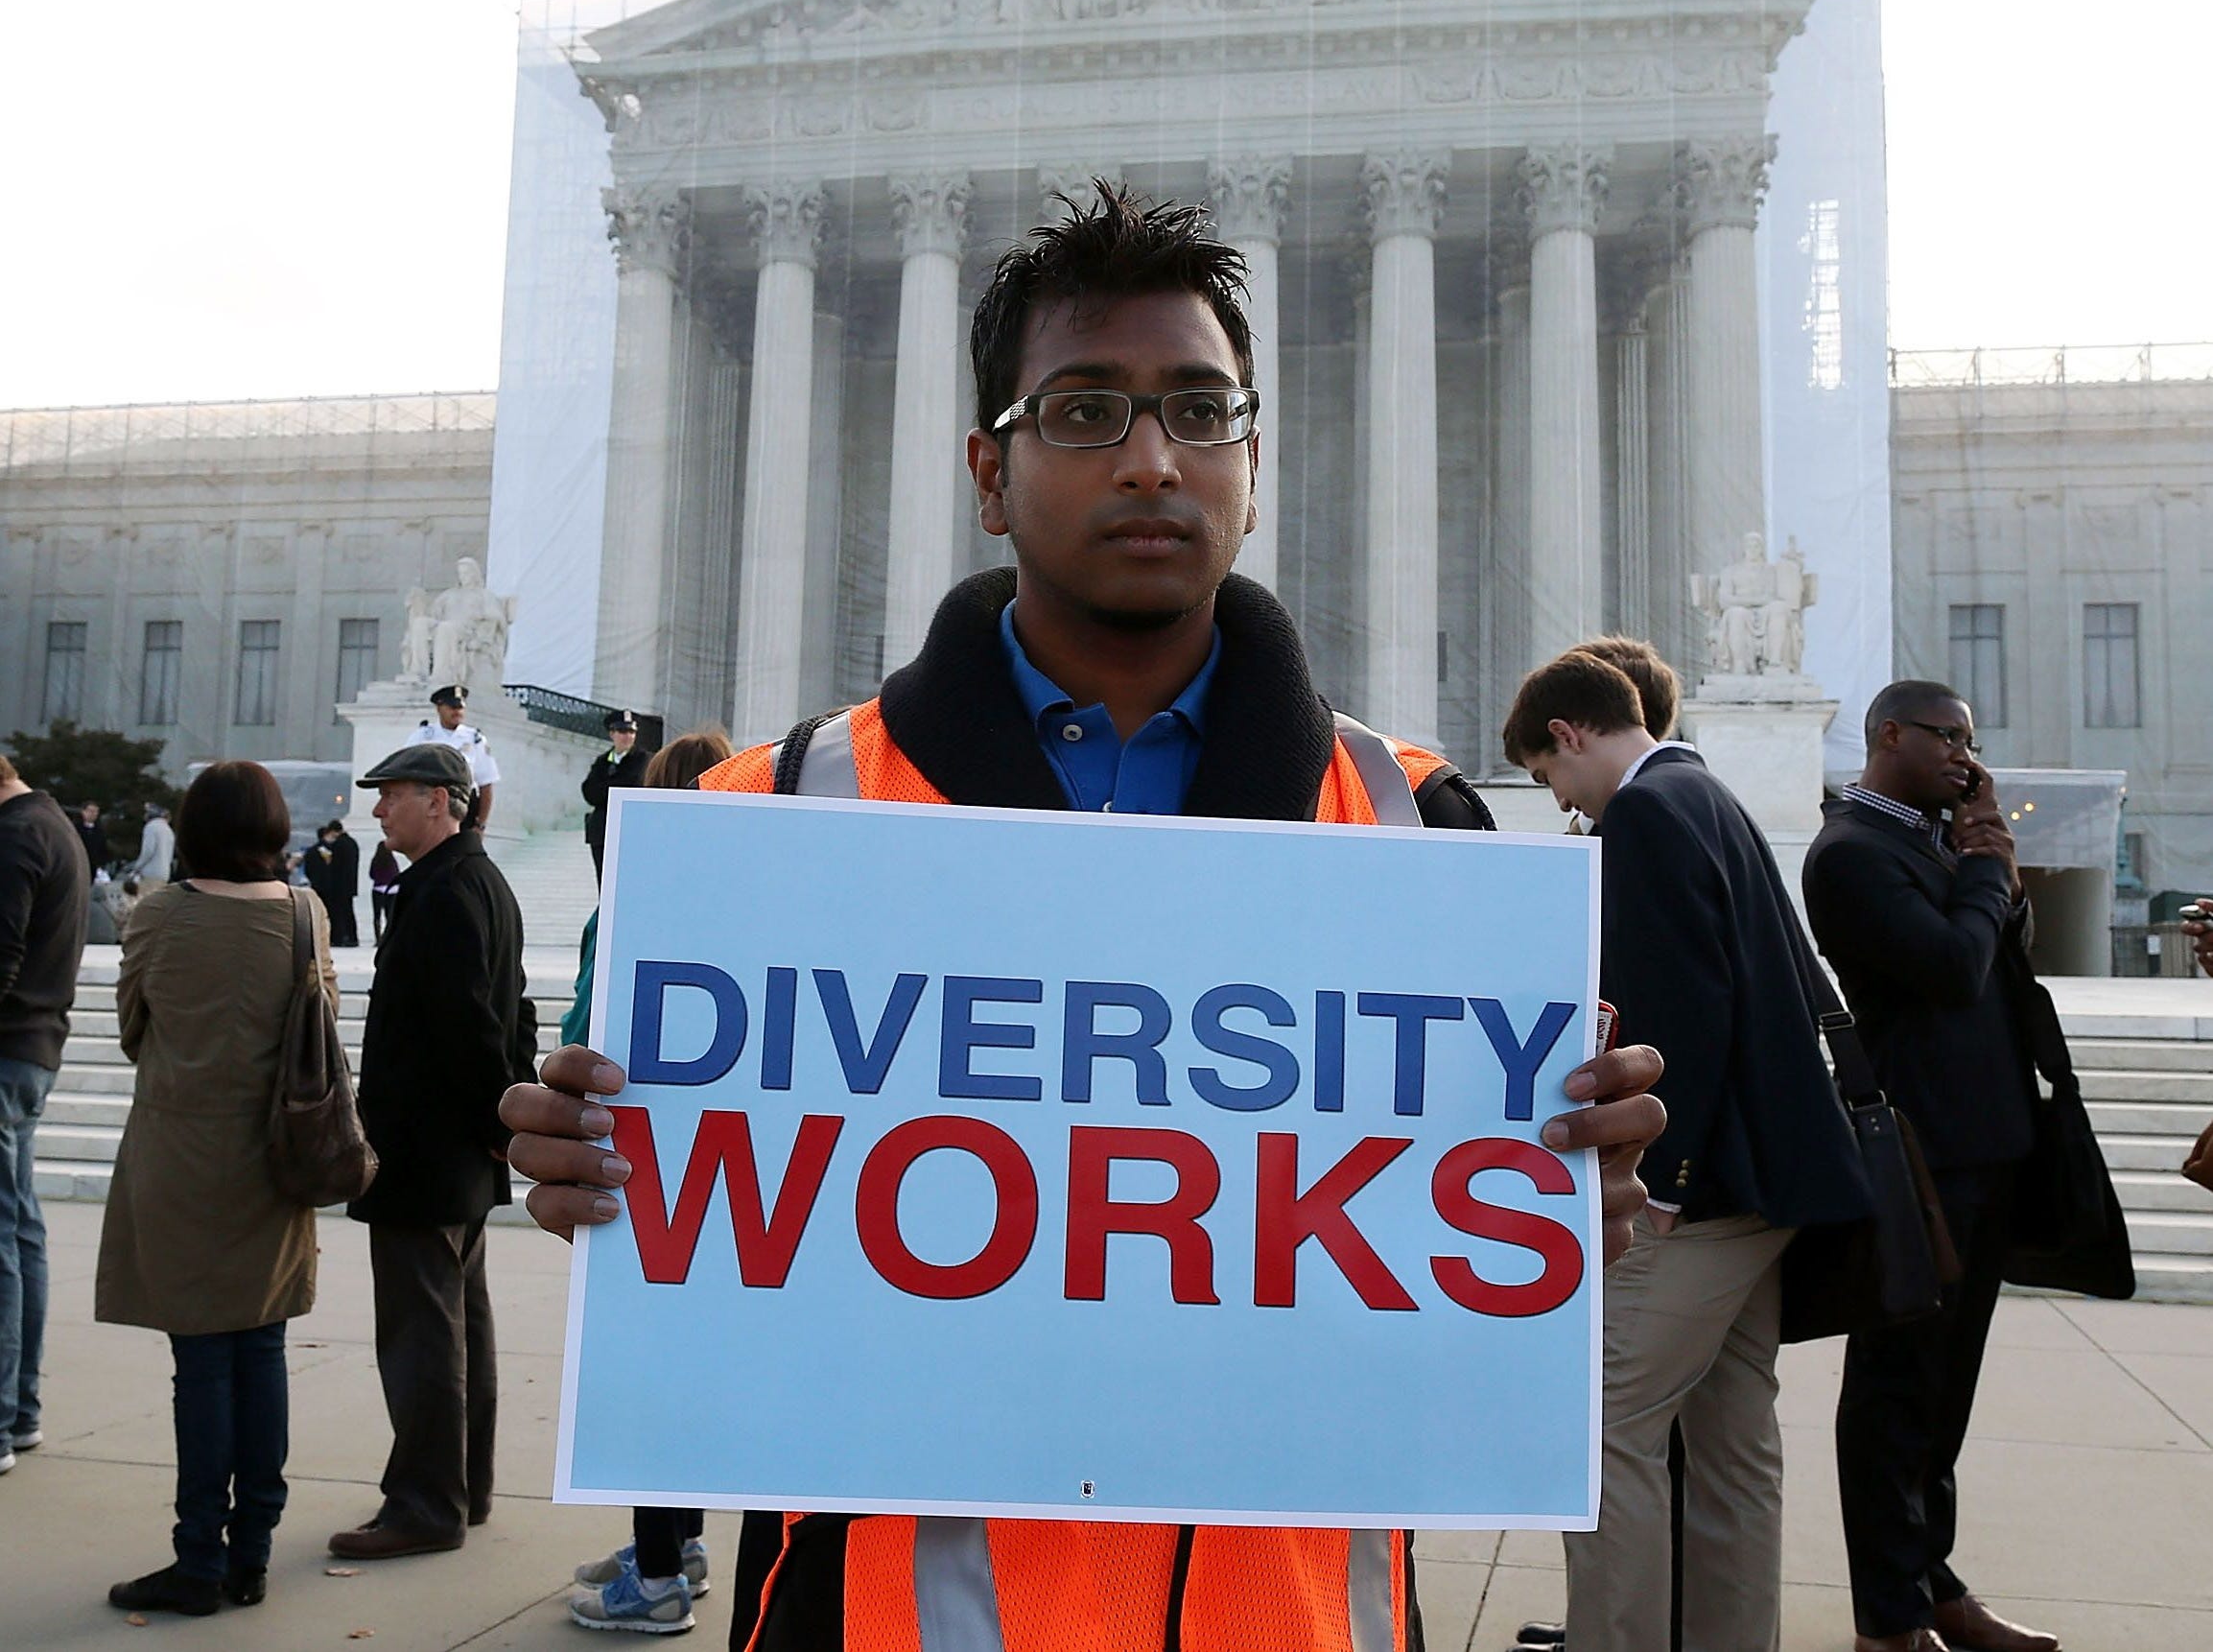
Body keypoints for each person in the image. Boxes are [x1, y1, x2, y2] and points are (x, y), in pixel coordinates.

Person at [502, 184, 1667, 1652]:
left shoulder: (1410, 821)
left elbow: (1439, 1242)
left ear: (1253, 462)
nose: (1149, 460)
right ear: (988, 474)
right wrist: (592, 1154)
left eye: (1199, 412)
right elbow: (704, 1186)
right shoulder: (775, 810)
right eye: (1083, 414)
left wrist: (1558, 1190)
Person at [1502, 649, 1870, 1652]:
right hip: (1770, 1183)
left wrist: (1657, 1184)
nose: (1560, 802)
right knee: (1732, 1448)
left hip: (1699, 1195)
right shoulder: (1705, 791)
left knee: (1605, 1432)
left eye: (1548, 776)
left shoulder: (1648, 815)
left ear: (1570, 735)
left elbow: (1679, 1019)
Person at [1802, 681, 2064, 1652]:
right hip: (1919, 1155)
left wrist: (1988, 862)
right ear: (1888, 736)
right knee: (1895, 1390)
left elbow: (2003, 958)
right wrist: (1990, 865)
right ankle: (1891, 1618)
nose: (1964, 753)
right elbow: (1952, 966)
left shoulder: (1932, 844)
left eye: (1972, 738)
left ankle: (1935, 1583)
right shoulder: (1851, 853)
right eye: (1945, 736)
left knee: (1945, 1393)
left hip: (1987, 1144)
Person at [96, 761, 334, 1617]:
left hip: (180, 1158)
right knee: (260, 1352)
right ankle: (252, 1554)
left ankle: (197, 1554)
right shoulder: (307, 914)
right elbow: (322, 1034)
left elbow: (133, 1028)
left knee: (199, 1363)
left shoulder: (160, 914)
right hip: (275, 1163)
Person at [329, 742, 530, 1559]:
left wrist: (492, 1118)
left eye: (393, 795)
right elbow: (512, 1019)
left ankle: (424, 1504)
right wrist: (502, 1123)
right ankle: (462, 1489)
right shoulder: (477, 882)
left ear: (443, 802)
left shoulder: (446, 890)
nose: (378, 811)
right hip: (461, 1153)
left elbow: (471, 1029)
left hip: (426, 1151)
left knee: (421, 1335)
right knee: (458, 1329)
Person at [564, 727, 732, 1636]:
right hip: (729, 1180)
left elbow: (589, 1029)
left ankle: (659, 1577)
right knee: (693, 1377)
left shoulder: (638, 898)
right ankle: (681, 1547)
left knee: (650, 1380)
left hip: (649, 1172)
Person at [0, 748, 91, 1476]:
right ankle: (19, 1411)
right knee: (19, 1228)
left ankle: (3, 1420)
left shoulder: (16, 834)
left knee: (4, 1235)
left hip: (8, 1050)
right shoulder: (52, 825)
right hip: (34, 1047)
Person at [405, 684, 502, 835]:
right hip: (430, 804)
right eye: (451, 707)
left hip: (464, 807)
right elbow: (405, 774)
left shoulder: (475, 739)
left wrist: (481, 824)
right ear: (439, 708)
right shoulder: (423, 736)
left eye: (460, 708)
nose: (457, 712)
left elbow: (486, 784)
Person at [579, 709, 650, 884]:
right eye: (622, 731)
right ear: (612, 733)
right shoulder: (602, 761)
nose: (627, 736)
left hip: (628, 828)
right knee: (604, 883)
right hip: (601, 830)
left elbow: (633, 785)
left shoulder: (642, 759)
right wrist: (613, 787)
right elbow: (589, 792)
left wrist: (606, 787)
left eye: (631, 732)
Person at [320, 819, 362, 949]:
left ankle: (339, 937)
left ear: (333, 831)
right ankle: (352, 937)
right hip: (350, 884)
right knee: (349, 912)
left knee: (338, 913)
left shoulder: (338, 844)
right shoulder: (352, 843)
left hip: (339, 885)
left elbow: (335, 867)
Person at [127, 801, 176, 888]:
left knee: (146, 900)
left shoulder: (151, 827)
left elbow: (148, 851)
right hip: (164, 873)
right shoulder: (169, 830)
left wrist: (137, 867)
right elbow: (170, 857)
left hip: (150, 873)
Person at [368, 838, 401, 943]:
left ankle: (378, 939)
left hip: (378, 889)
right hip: (392, 890)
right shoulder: (392, 861)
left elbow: (371, 874)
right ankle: (389, 937)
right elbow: (396, 874)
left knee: (377, 915)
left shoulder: (376, 860)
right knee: (389, 915)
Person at [74, 801, 109, 878]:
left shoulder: (100, 830)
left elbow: (103, 848)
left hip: (95, 866)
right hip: (79, 864)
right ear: (83, 812)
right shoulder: (75, 829)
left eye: (96, 811)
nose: (94, 814)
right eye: (91, 811)